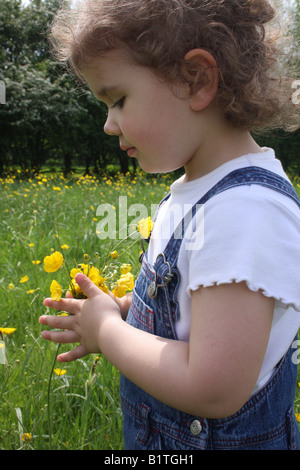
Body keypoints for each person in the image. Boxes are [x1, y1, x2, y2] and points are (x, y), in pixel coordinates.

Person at [39, 0, 300, 450]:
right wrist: (130, 310)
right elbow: (191, 311)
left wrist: (108, 332)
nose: (107, 124)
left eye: (118, 100)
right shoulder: (198, 190)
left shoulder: (244, 211)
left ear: (194, 80)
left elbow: (213, 387)